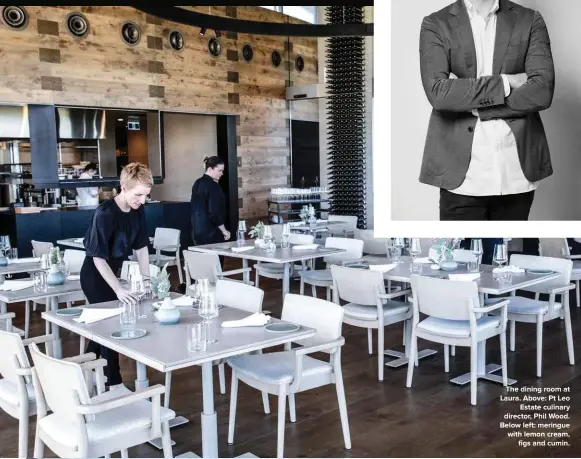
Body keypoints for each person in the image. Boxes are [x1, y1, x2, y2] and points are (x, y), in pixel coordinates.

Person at [418, 0, 555, 220]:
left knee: (506, 253)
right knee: (461, 254)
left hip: (516, 172)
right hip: (461, 176)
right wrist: (506, 83)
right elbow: (439, 94)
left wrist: (477, 107)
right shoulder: (436, 23)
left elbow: (541, 91)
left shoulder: (530, 20)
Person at [80, 162, 153, 389]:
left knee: (105, 329)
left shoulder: (138, 210)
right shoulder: (105, 213)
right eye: (138, 194)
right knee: (110, 329)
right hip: (95, 276)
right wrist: (118, 289)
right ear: (123, 186)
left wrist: (147, 278)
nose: (141, 200)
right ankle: (115, 384)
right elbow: (98, 258)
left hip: (113, 274)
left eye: (145, 195)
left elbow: (141, 248)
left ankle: (81, 368)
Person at [190, 156, 230, 245]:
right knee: (215, 259)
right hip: (212, 233)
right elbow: (214, 212)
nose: (222, 173)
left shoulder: (197, 183)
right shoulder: (213, 186)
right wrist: (224, 230)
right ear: (210, 169)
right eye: (219, 171)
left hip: (197, 231)